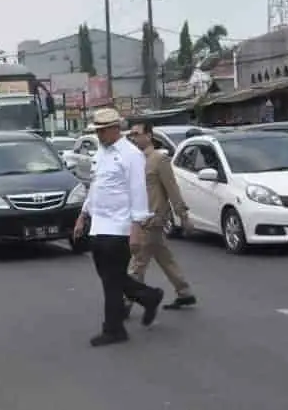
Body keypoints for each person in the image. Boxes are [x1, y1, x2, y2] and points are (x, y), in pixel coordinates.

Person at [73, 108, 163, 346]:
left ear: (115, 129)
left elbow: (138, 192)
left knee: (112, 281)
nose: (100, 135)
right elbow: (96, 187)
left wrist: (136, 228)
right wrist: (83, 215)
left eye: (103, 131)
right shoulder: (101, 153)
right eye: (97, 131)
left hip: (120, 226)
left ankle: (114, 329)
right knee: (109, 276)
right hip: (99, 224)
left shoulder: (131, 155)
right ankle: (149, 296)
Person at [126, 121, 196, 309]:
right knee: (164, 257)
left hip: (152, 219)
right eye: (131, 134)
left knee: (137, 263)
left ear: (149, 136)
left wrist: (183, 215)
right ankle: (184, 292)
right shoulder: (134, 161)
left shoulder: (159, 160)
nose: (133, 137)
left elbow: (172, 189)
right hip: (140, 219)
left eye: (137, 133)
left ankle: (125, 302)